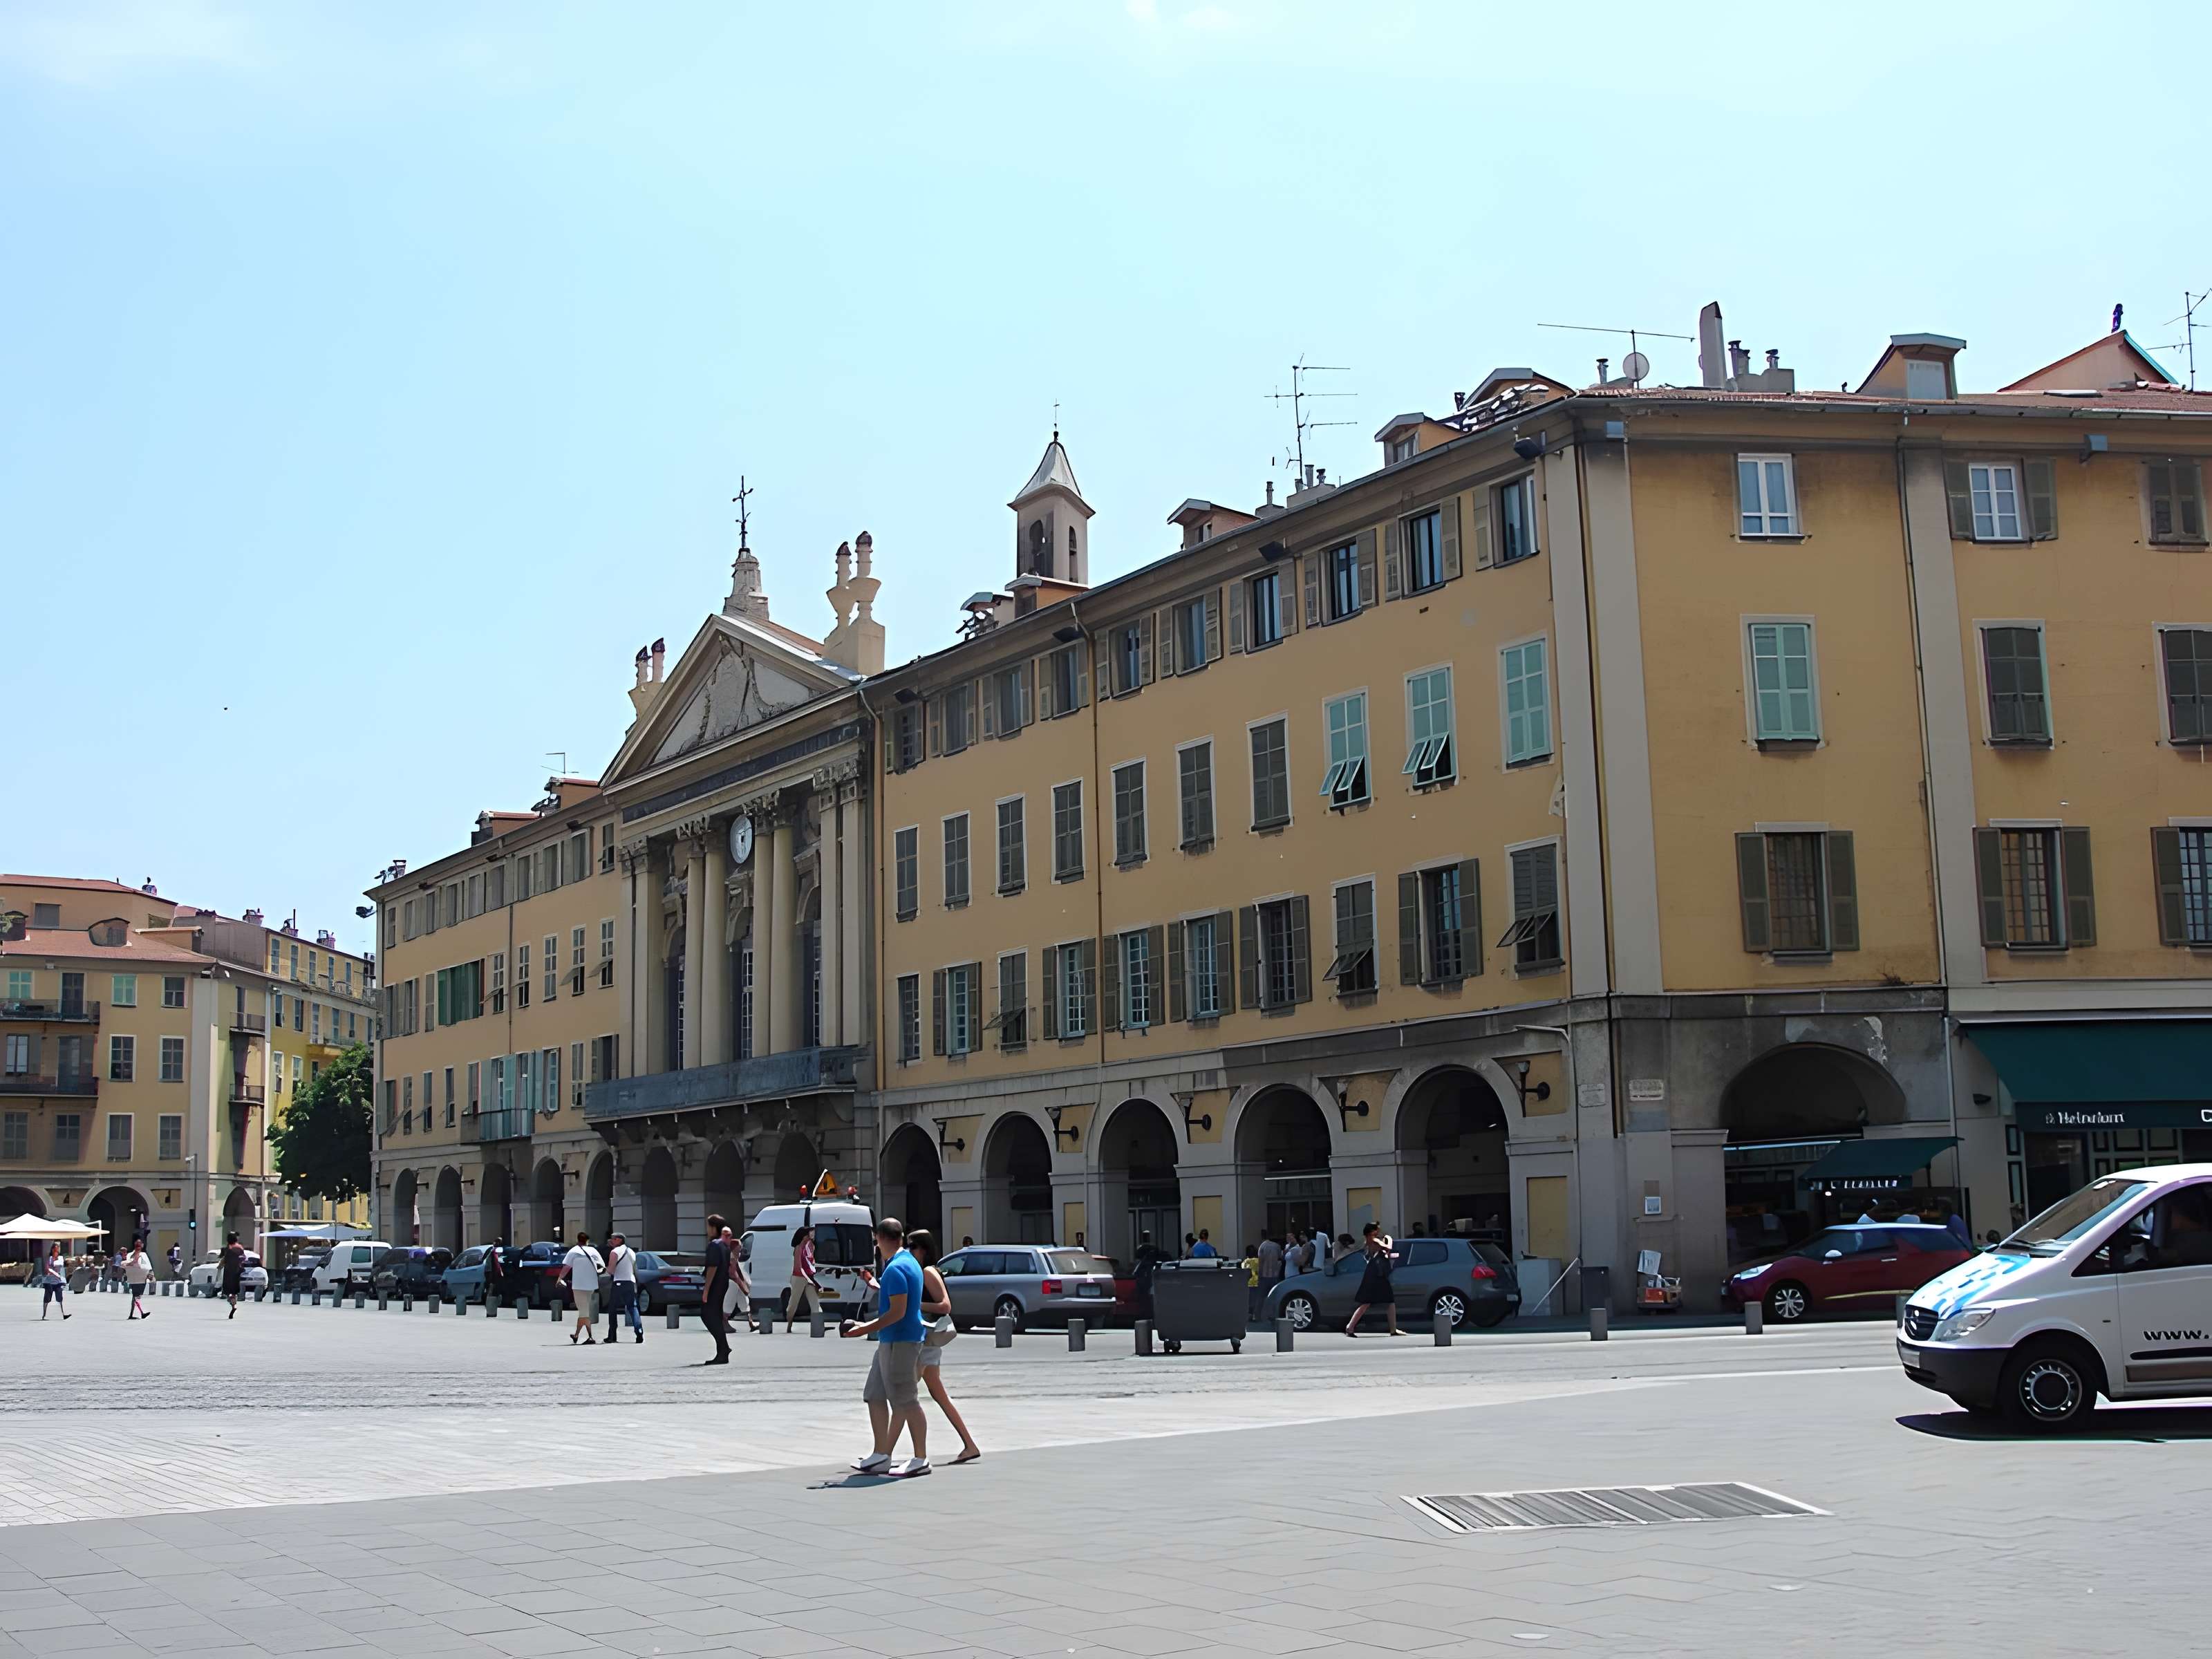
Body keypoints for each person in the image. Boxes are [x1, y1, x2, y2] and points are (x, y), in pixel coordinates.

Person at [841, 1215, 930, 1478]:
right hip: (891, 1341)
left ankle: (921, 1458)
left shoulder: (895, 1269)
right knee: (875, 1393)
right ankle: (881, 1455)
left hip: (901, 1342)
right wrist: (866, 1324)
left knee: (907, 1399)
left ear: (879, 1239)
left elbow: (898, 1312)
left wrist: (862, 1329)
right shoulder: (908, 1262)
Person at [908, 1230, 982, 1465]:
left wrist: (915, 1304)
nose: (909, 1251)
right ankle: (970, 1445)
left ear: (923, 1249)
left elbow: (945, 1306)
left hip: (928, 1339)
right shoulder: (922, 1271)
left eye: (912, 1247)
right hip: (927, 1339)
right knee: (936, 1394)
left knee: (903, 1394)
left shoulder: (928, 1272)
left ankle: (884, 1452)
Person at [1344, 1225, 1400, 1337]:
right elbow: (1387, 1247)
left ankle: (1393, 1330)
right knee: (1367, 1302)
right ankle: (1350, 1327)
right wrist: (1388, 1240)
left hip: (1378, 1275)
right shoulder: (1375, 1241)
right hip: (1375, 1275)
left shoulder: (1371, 1243)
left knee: (1389, 1301)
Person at [700, 1214, 733, 1364]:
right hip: (723, 1283)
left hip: (715, 1285)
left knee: (707, 1315)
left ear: (714, 1228)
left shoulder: (714, 1245)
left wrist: (706, 1290)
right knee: (715, 1316)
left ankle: (723, 1349)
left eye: (708, 1227)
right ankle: (723, 1350)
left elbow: (712, 1268)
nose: (707, 1230)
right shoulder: (724, 1245)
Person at [562, 1230, 604, 1344]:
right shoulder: (593, 1251)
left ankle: (590, 1337)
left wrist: (560, 1278)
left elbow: (567, 1267)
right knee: (584, 1311)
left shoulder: (574, 1251)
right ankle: (576, 1335)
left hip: (579, 1285)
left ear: (578, 1240)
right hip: (591, 1285)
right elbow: (602, 1265)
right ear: (587, 1241)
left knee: (583, 1312)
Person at [603, 1231, 643, 1344]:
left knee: (612, 1308)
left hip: (619, 1282)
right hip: (630, 1282)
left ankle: (612, 1336)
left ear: (620, 1240)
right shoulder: (631, 1252)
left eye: (614, 1239)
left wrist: (604, 1269)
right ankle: (639, 1331)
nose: (612, 1241)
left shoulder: (615, 1252)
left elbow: (611, 1271)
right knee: (632, 1307)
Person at [785, 1224, 825, 1333]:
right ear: (804, 1236)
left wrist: (813, 1278)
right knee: (794, 1303)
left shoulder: (811, 1247)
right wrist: (810, 1279)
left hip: (808, 1277)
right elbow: (799, 1267)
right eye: (810, 1233)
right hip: (799, 1277)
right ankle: (789, 1323)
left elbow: (811, 1264)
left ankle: (819, 1326)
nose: (812, 1234)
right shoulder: (799, 1248)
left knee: (815, 1302)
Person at [1132, 1230, 1164, 1325]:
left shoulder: (1141, 1249)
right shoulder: (1153, 1249)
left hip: (1143, 1277)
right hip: (1149, 1276)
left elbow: (1137, 1263)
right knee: (1150, 1298)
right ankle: (1150, 1315)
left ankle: (1144, 1315)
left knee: (1143, 1298)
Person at [122, 1237, 153, 1320]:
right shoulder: (131, 1255)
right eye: (137, 1244)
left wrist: (149, 1274)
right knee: (136, 1296)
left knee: (136, 1297)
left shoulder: (143, 1255)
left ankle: (134, 1314)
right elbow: (128, 1265)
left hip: (141, 1278)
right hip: (136, 1279)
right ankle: (141, 1313)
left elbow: (147, 1266)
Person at [38, 1246, 68, 1320]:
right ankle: (44, 1315)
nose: (56, 1251)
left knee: (60, 1299)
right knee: (47, 1299)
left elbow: (61, 1269)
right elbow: (47, 1269)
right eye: (55, 1249)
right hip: (49, 1282)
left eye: (57, 1250)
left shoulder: (60, 1259)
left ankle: (63, 1314)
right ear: (52, 1250)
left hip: (58, 1283)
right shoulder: (50, 1259)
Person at [1257, 1231, 1284, 1313]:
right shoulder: (1277, 1246)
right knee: (1274, 1297)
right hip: (1275, 1276)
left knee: (1261, 1297)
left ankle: (1257, 1314)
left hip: (1264, 1276)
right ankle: (1273, 1315)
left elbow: (1261, 1262)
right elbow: (1280, 1258)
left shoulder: (1262, 1246)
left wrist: (1259, 1275)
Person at [220, 1232, 246, 1319]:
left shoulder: (227, 1249)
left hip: (229, 1272)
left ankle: (233, 1304)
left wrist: (220, 1266)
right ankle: (234, 1302)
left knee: (229, 1291)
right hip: (237, 1272)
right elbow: (244, 1258)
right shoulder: (240, 1248)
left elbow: (224, 1259)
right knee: (234, 1291)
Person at [485, 1238, 508, 1309]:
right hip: (494, 1274)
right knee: (492, 1289)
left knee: (494, 1289)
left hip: (496, 1274)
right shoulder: (494, 1252)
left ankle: (493, 1304)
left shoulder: (496, 1252)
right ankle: (491, 1304)